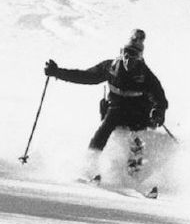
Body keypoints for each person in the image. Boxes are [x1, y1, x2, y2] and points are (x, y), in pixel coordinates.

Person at [45, 29, 168, 179]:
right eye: (127, 53)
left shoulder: (146, 75)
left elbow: (159, 98)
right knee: (102, 131)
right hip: (116, 110)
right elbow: (86, 76)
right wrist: (58, 72)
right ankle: (88, 167)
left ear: (140, 57)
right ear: (122, 52)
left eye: (134, 55)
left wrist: (158, 111)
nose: (129, 59)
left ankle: (133, 176)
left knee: (137, 141)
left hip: (139, 113)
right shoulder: (110, 68)